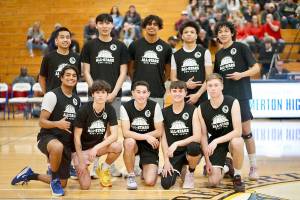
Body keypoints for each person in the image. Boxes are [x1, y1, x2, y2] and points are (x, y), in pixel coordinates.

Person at [11, 65, 81, 196]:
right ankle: (54, 180)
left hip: (65, 143)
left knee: (64, 183)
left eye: (74, 76)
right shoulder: (52, 95)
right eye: (68, 75)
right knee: (57, 147)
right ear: (61, 77)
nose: (71, 78)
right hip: (47, 137)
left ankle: (30, 175)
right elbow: (41, 121)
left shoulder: (76, 99)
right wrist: (57, 124)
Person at [81, 13, 128, 177]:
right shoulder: (89, 45)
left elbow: (123, 72)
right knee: (95, 130)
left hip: (115, 94)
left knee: (111, 132)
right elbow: (86, 71)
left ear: (112, 26)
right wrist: (95, 91)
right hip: (95, 95)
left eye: (108, 23)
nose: (105, 26)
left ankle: (109, 166)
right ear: (97, 25)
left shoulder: (120, 46)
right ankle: (93, 165)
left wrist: (113, 92)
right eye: (101, 23)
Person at [213, 21, 260, 180]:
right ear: (217, 36)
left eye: (226, 31)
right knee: (229, 135)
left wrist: (241, 74)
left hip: (241, 96)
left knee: (246, 133)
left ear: (232, 33)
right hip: (225, 100)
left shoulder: (241, 48)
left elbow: (256, 68)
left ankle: (253, 167)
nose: (223, 34)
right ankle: (231, 166)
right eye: (220, 32)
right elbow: (216, 78)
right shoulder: (218, 55)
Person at [198, 73, 245, 192]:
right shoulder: (201, 108)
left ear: (222, 86)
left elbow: (238, 131)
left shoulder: (232, 102)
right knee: (213, 182)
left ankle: (237, 175)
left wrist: (216, 141)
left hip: (230, 139)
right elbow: (203, 135)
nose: (213, 88)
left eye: (216, 85)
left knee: (238, 142)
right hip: (215, 143)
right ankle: (226, 167)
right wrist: (207, 161)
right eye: (210, 86)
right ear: (207, 88)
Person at [73, 80, 122, 189]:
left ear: (107, 95)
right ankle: (76, 165)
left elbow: (114, 135)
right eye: (97, 92)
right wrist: (81, 160)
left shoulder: (110, 109)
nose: (100, 95)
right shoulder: (84, 110)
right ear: (92, 94)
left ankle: (104, 169)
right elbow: (76, 138)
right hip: (81, 151)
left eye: (103, 92)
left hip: (97, 149)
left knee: (117, 146)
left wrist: (96, 148)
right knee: (85, 186)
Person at [121, 81, 163, 190]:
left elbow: (159, 131)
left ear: (148, 93)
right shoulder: (125, 107)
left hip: (149, 146)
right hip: (134, 143)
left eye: (144, 92)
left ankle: (143, 165)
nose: (141, 95)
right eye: (138, 92)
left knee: (149, 181)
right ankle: (131, 175)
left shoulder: (155, 106)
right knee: (129, 142)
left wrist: (147, 137)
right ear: (133, 93)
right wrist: (146, 136)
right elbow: (125, 133)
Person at [160, 81, 202, 190]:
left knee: (194, 147)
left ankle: (190, 173)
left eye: (180, 91)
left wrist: (176, 143)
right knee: (166, 184)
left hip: (189, 150)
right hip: (174, 154)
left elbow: (197, 136)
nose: (177, 94)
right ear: (170, 92)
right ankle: (181, 167)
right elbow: (163, 139)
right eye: (174, 91)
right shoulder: (163, 112)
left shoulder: (193, 110)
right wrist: (166, 161)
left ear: (185, 93)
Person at [128, 15, 172, 108]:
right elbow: (130, 69)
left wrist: (159, 81)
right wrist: (136, 81)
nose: (152, 26)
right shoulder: (134, 45)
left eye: (155, 24)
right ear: (144, 26)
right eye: (149, 24)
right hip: (137, 92)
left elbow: (168, 71)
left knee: (157, 122)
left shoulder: (166, 47)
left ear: (159, 27)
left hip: (157, 91)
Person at [171, 21, 213, 107]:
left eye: (192, 32)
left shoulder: (205, 52)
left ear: (196, 36)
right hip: (182, 96)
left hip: (201, 96)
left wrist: (197, 95)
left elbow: (209, 78)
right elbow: (173, 78)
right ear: (182, 36)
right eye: (186, 32)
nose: (189, 34)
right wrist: (185, 84)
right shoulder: (175, 55)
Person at [39, 27, 81, 94]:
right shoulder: (48, 57)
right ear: (56, 41)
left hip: (71, 96)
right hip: (52, 97)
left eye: (67, 37)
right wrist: (46, 94)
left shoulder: (77, 57)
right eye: (62, 37)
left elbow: (77, 77)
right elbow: (41, 78)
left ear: (70, 40)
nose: (65, 40)